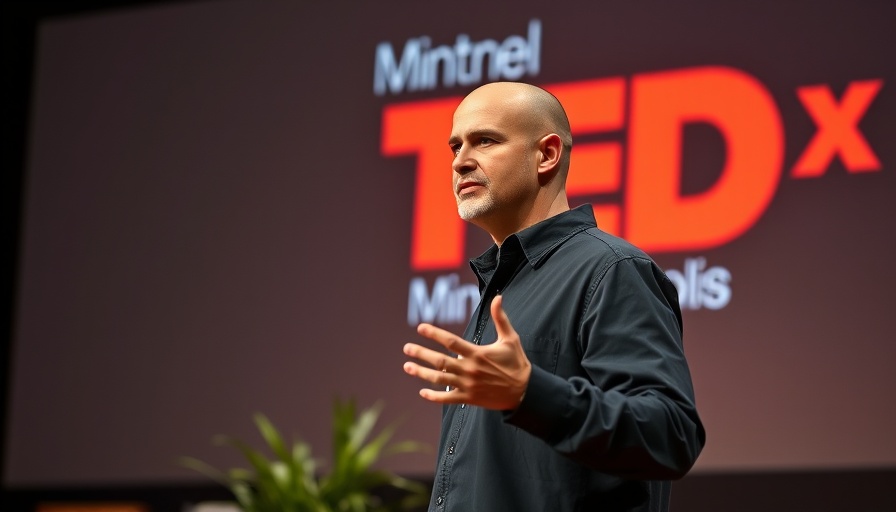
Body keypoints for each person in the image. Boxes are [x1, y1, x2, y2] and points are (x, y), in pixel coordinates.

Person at [402, 82, 705, 512]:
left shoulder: (611, 270)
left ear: (546, 154)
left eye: (484, 140)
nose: (460, 162)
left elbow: (671, 434)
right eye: (455, 147)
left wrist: (531, 394)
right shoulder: (500, 288)